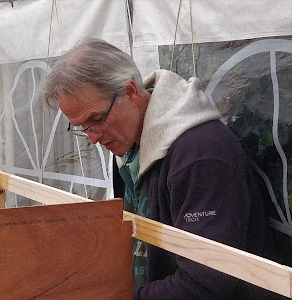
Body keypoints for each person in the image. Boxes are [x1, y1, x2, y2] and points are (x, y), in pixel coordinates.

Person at [44, 38, 284, 299]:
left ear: (130, 90)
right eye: (82, 127)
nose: (93, 138)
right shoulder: (128, 148)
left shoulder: (201, 155)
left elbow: (206, 285)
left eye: (96, 119)